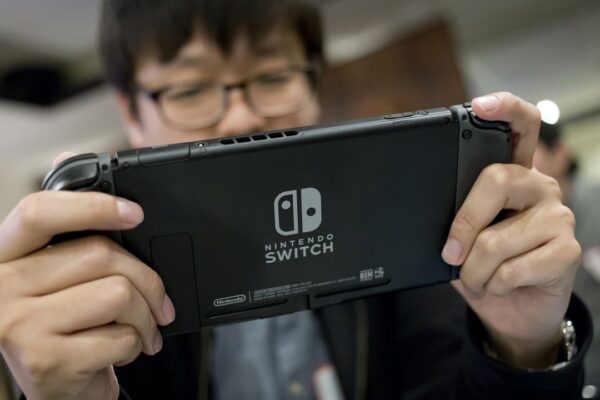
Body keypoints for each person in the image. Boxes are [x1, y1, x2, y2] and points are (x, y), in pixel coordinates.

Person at [0, 1, 591, 399]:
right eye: (190, 88)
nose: (240, 117)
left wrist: (524, 346)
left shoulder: (407, 237)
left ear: (313, 87)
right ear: (131, 113)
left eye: (272, 76)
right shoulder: (100, 291)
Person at [534, 121, 600, 394]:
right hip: (577, 372)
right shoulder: (529, 228)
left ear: (559, 153)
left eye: (529, 152)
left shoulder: (595, 203)